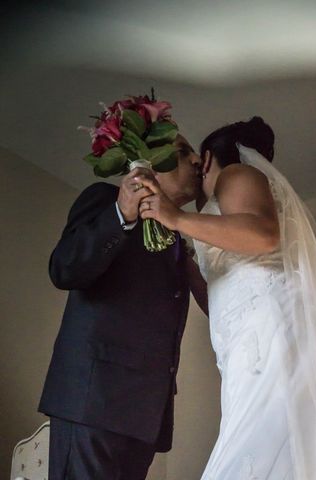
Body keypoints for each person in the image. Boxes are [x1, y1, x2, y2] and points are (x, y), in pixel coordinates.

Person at [138, 117, 316, 479]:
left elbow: (262, 236)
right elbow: (215, 300)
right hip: (239, 343)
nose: (196, 166)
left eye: (196, 157)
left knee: (262, 437)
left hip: (270, 325)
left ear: (211, 157)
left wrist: (177, 218)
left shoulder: (235, 174)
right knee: (280, 438)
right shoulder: (211, 219)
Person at [39, 135, 204, 480]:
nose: (197, 161)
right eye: (183, 153)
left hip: (144, 415)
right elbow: (64, 269)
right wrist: (121, 214)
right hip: (93, 400)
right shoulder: (102, 199)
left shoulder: (174, 239)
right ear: (150, 165)